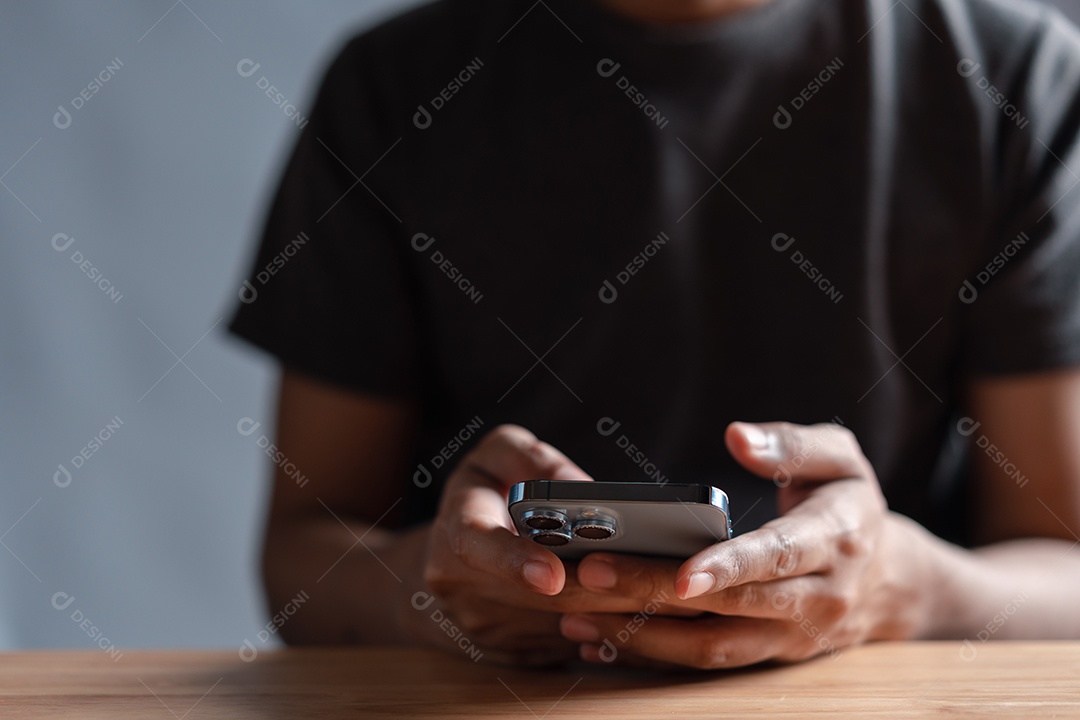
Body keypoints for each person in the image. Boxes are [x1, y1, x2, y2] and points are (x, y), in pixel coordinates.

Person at [229, 0, 1080, 668]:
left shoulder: (1015, 80)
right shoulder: (394, 87)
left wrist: (905, 589)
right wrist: (428, 588)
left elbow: (1065, 571)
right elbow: (304, 555)